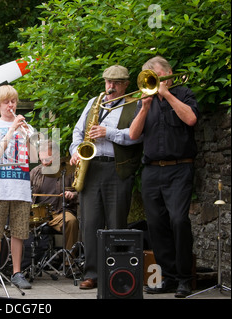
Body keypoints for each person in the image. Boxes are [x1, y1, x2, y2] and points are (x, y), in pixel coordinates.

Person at [129, 56, 199, 298]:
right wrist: (145, 106)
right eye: (150, 77)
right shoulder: (145, 101)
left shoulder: (184, 93)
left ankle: (184, 278)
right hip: (151, 170)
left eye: (157, 75)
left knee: (179, 221)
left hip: (179, 168)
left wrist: (168, 95)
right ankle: (167, 278)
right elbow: (133, 135)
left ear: (168, 73)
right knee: (156, 225)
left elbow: (191, 119)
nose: (154, 80)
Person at [69, 65, 143, 290]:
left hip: (116, 168)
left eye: (116, 83)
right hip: (91, 168)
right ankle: (91, 273)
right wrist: (75, 150)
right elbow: (77, 132)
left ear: (126, 84)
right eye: (108, 82)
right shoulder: (94, 102)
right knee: (90, 222)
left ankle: (116, 274)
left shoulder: (135, 103)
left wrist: (107, 133)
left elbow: (136, 137)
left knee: (116, 223)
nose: (111, 87)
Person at [0, 85, 33, 290]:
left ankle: (17, 273)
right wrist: (11, 130)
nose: (11, 105)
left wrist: (29, 136)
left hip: (20, 186)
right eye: (6, 102)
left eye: (13, 101)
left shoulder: (26, 127)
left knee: (19, 232)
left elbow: (34, 157)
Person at [30, 140, 78, 251]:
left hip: (59, 213)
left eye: (47, 159)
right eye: (41, 159)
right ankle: (27, 262)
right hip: (38, 214)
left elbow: (81, 193)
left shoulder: (69, 171)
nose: (44, 163)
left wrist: (73, 194)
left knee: (71, 221)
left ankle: (68, 261)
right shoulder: (35, 172)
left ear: (56, 156)